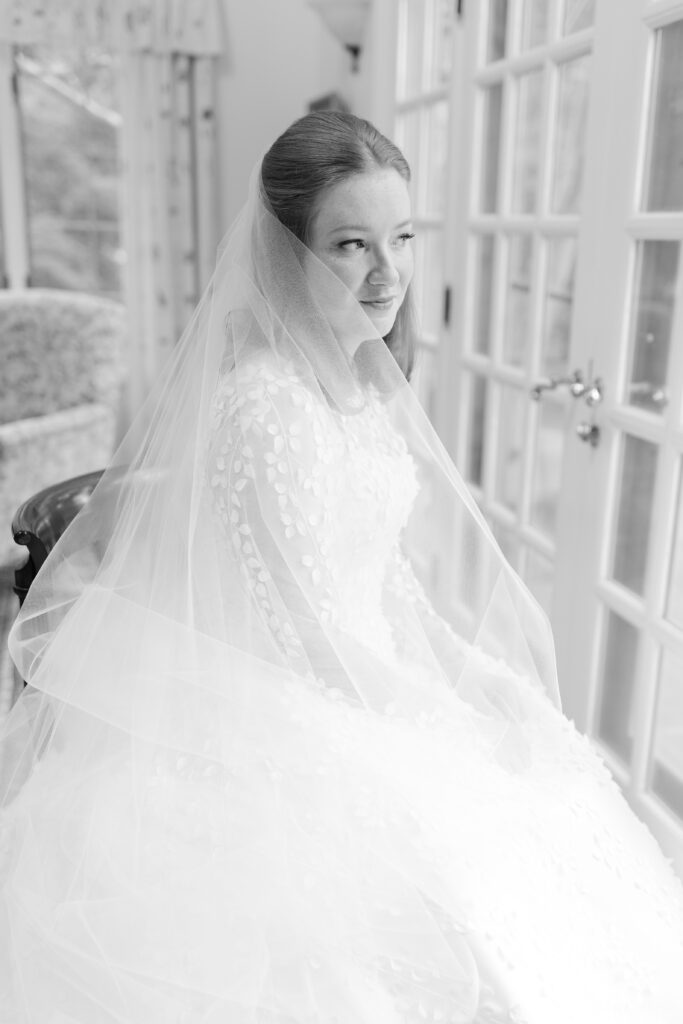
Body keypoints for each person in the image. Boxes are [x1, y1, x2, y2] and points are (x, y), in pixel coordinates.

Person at [1, 111, 682, 1024]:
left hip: (361, 681)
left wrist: (477, 680)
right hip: (278, 709)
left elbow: (385, 588)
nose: (387, 272)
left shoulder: (357, 386)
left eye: (401, 238)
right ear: (286, 254)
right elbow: (304, 636)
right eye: (350, 244)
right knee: (472, 895)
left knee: (554, 797)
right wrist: (444, 724)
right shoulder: (264, 410)